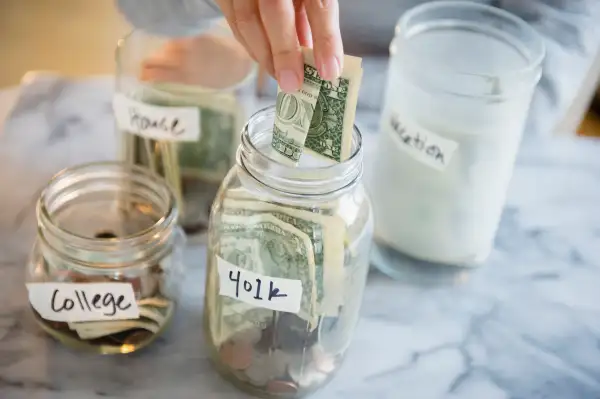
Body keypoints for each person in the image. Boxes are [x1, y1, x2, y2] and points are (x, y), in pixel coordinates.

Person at [116, 0, 600, 137]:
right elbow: (140, 10)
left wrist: (265, 75)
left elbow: (534, 98)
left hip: (449, 164)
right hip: (245, 106)